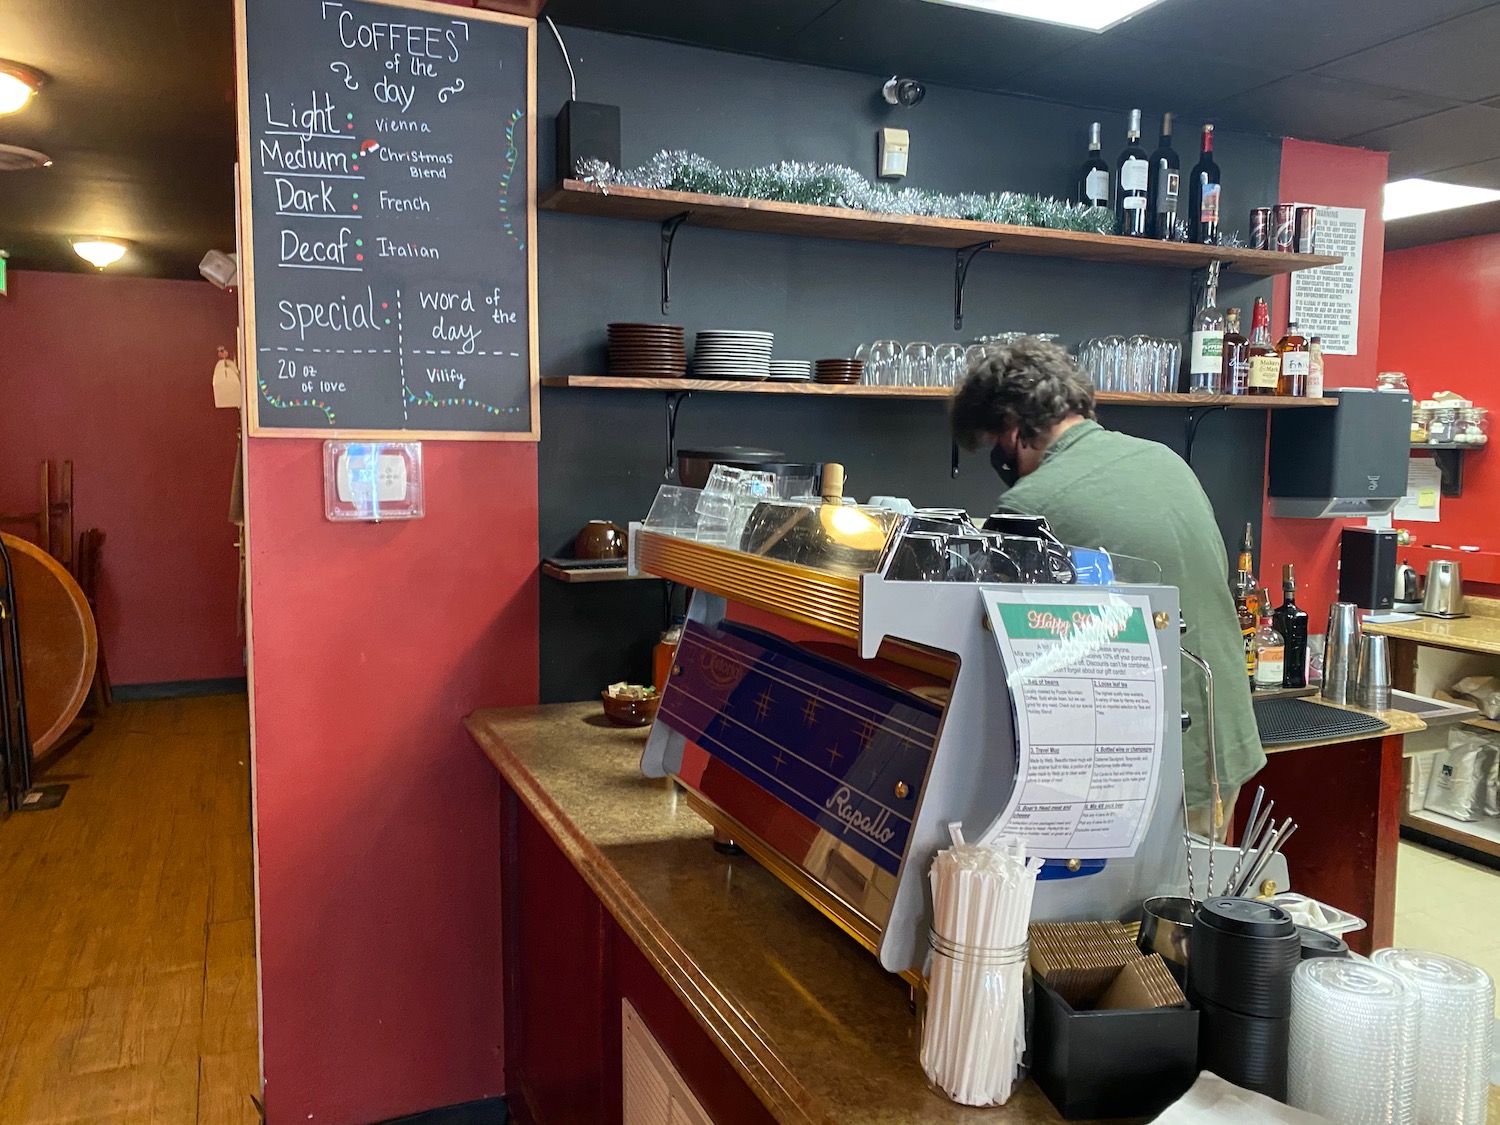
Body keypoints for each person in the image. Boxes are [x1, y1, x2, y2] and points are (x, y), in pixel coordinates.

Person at [950, 336, 1262, 841]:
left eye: (992, 444)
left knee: (1122, 917)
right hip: (1222, 737)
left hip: (1141, 766)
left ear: (1012, 430)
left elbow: (994, 645)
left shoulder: (1029, 507)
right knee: (1195, 905)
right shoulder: (1165, 460)